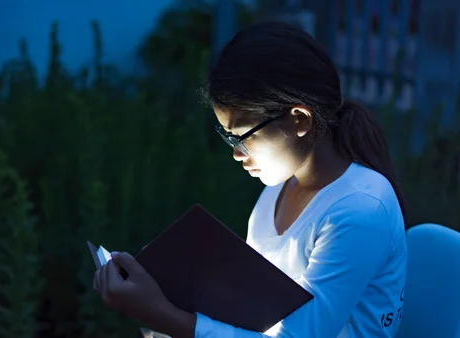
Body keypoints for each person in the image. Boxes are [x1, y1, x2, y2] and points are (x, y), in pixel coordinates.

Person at [92, 21, 408, 338]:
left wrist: (161, 313)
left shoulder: (360, 210)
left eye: (243, 137)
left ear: (299, 120)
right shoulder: (282, 186)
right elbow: (251, 309)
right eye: (228, 137)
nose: (237, 154)